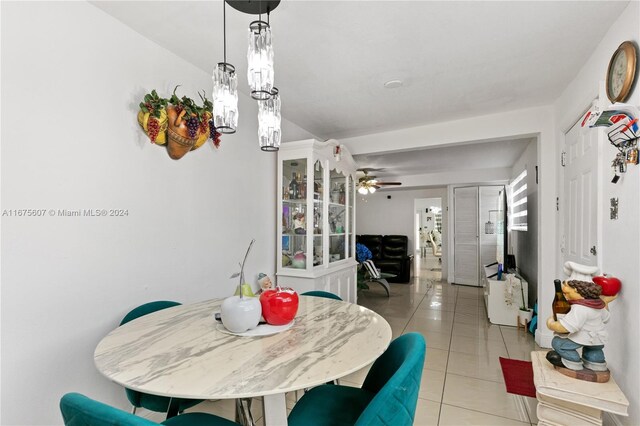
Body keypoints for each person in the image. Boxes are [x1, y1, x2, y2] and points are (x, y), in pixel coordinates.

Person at [546, 280, 615, 371]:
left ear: (575, 290)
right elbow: (606, 318)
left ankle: (573, 361)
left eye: (566, 287)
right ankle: (596, 362)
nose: (564, 291)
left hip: (584, 337)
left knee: (558, 343)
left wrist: (551, 323)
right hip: (598, 340)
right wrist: (605, 302)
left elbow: (568, 326)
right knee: (593, 350)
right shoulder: (598, 305)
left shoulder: (579, 308)